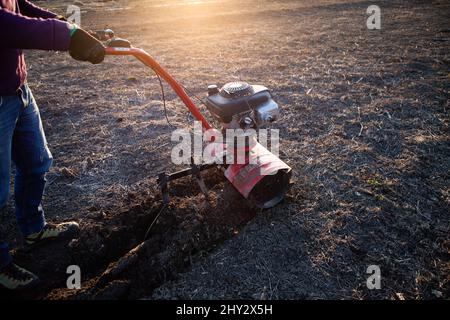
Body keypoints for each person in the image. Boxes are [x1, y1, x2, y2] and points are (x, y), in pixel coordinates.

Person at [0, 0, 105, 290]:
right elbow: (7, 25)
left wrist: (75, 28)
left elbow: (19, 7)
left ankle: (33, 229)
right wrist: (67, 34)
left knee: (36, 162)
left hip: (17, 91)